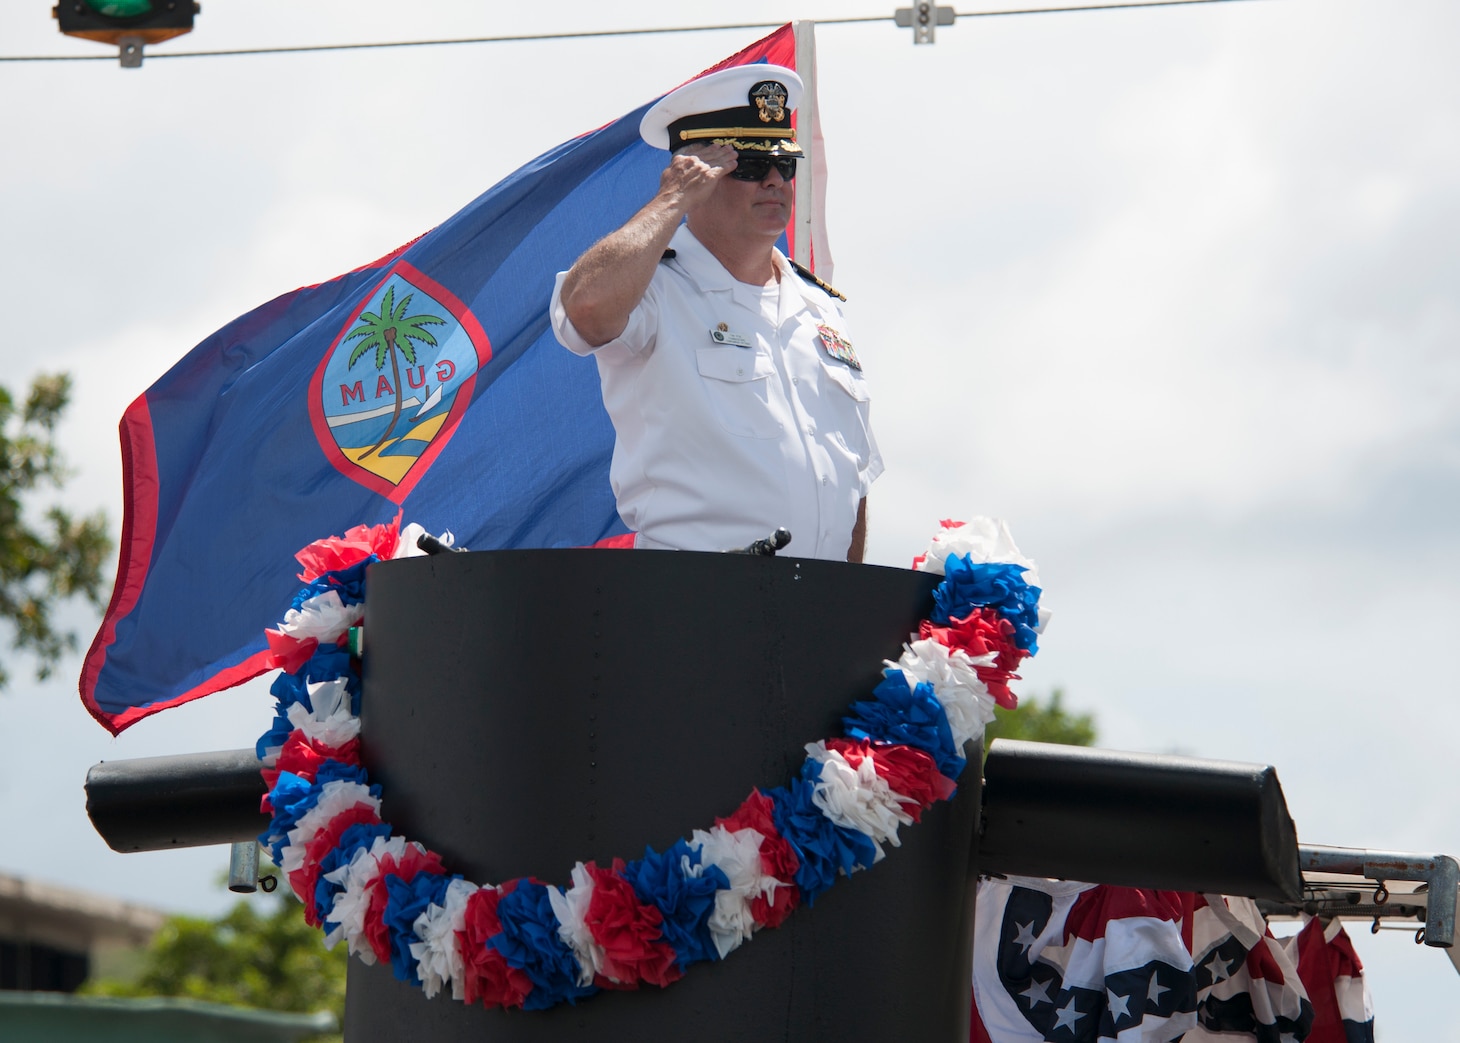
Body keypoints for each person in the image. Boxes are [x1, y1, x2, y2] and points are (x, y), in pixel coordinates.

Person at [550, 64, 882, 562]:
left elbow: (852, 481)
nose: (774, 180)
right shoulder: (655, 287)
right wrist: (670, 201)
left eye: (785, 164)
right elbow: (586, 313)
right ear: (695, 174)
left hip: (817, 607)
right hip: (694, 599)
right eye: (748, 166)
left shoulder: (821, 309)